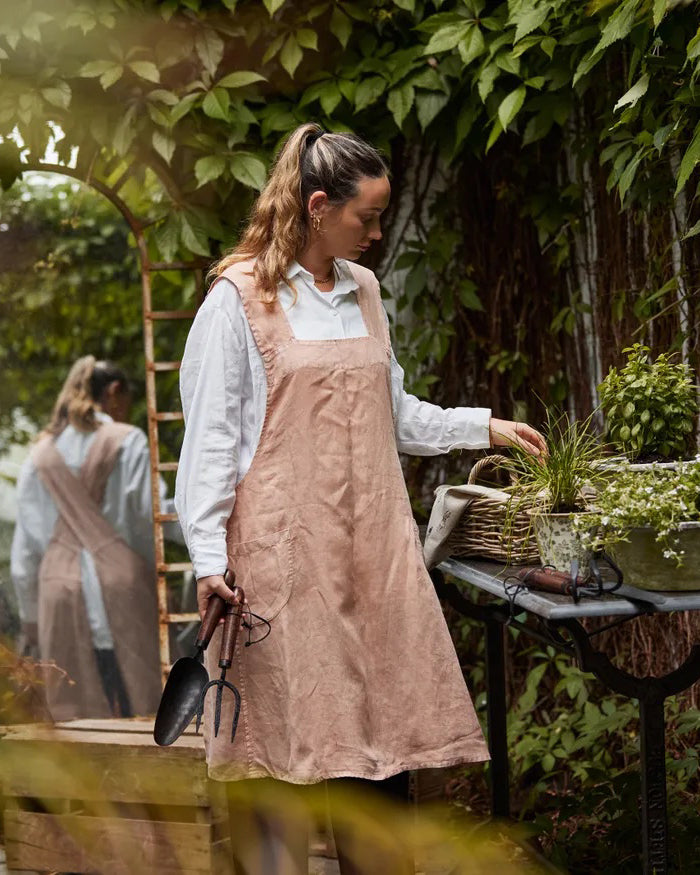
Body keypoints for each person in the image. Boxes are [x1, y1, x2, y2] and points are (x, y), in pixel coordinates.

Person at [174, 123, 546, 874]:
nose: (377, 233)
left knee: (378, 761)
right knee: (278, 764)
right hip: (280, 571)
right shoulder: (238, 300)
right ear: (318, 208)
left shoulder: (363, 290)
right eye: (366, 217)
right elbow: (210, 442)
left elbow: (394, 412)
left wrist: (485, 426)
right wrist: (209, 559)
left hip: (371, 561)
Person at [10, 356, 181, 721]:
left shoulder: (39, 456)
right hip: (123, 588)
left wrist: (31, 618)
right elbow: (148, 516)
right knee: (144, 706)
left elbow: (24, 558)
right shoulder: (129, 441)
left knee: (73, 714)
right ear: (115, 392)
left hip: (58, 594)